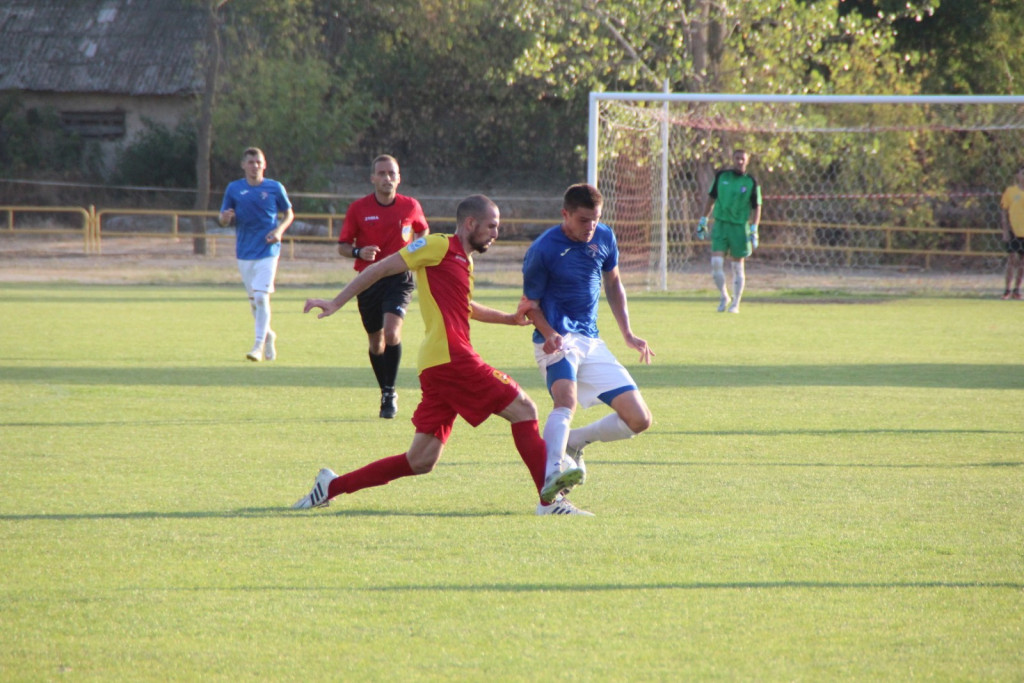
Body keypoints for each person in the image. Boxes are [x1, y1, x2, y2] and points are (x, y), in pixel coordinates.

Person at [294, 194, 593, 516]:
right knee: (524, 408)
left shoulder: (465, 260)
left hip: (438, 365)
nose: (496, 233)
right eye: (492, 226)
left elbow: (466, 307)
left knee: (420, 460)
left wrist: (509, 319)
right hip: (452, 358)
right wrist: (336, 302)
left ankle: (331, 486)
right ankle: (551, 502)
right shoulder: (438, 245)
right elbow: (381, 267)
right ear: (470, 223)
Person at [517, 183, 654, 505]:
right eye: (583, 220)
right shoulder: (543, 249)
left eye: (595, 219)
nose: (590, 226)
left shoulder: (604, 236)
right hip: (556, 340)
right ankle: (552, 472)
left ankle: (574, 441)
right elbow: (529, 305)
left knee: (639, 419)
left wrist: (627, 333)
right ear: (565, 214)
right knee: (566, 400)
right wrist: (549, 333)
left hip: (590, 341)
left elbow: (614, 283)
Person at [337, 155, 430, 418]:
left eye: (392, 173)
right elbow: (342, 247)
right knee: (376, 343)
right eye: (382, 173)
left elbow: (423, 231)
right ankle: (385, 389)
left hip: (399, 278)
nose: (387, 178)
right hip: (367, 280)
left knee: (392, 332)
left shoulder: (410, 206)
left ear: (399, 178)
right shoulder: (358, 209)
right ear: (373, 178)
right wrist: (359, 251)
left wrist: (415, 252)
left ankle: (389, 392)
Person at [219, 147, 294, 361]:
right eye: (251, 162)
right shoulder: (234, 188)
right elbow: (222, 219)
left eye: (259, 162)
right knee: (254, 302)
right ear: (243, 165)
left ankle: (257, 346)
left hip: (268, 250)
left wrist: (279, 231)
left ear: (264, 164)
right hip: (244, 252)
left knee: (261, 297)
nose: (255, 166)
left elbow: (289, 213)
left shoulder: (274, 187)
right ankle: (268, 335)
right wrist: (225, 218)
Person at [696, 149, 762, 313]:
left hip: (739, 227)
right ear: (732, 159)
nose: (739, 161)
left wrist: (754, 228)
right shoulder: (722, 176)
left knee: (737, 266)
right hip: (721, 225)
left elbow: (757, 206)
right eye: (737, 158)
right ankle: (724, 296)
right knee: (716, 263)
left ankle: (736, 304)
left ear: (747, 161)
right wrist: (703, 219)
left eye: (742, 159)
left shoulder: (751, 181)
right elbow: (711, 198)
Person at [999, 167, 1024, 300]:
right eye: (1023, 173)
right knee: (1011, 260)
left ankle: (1017, 290)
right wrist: (1005, 231)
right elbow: (1004, 211)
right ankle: (1007, 290)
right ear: (1018, 176)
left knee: (1022, 263)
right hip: (1014, 231)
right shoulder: (1010, 191)